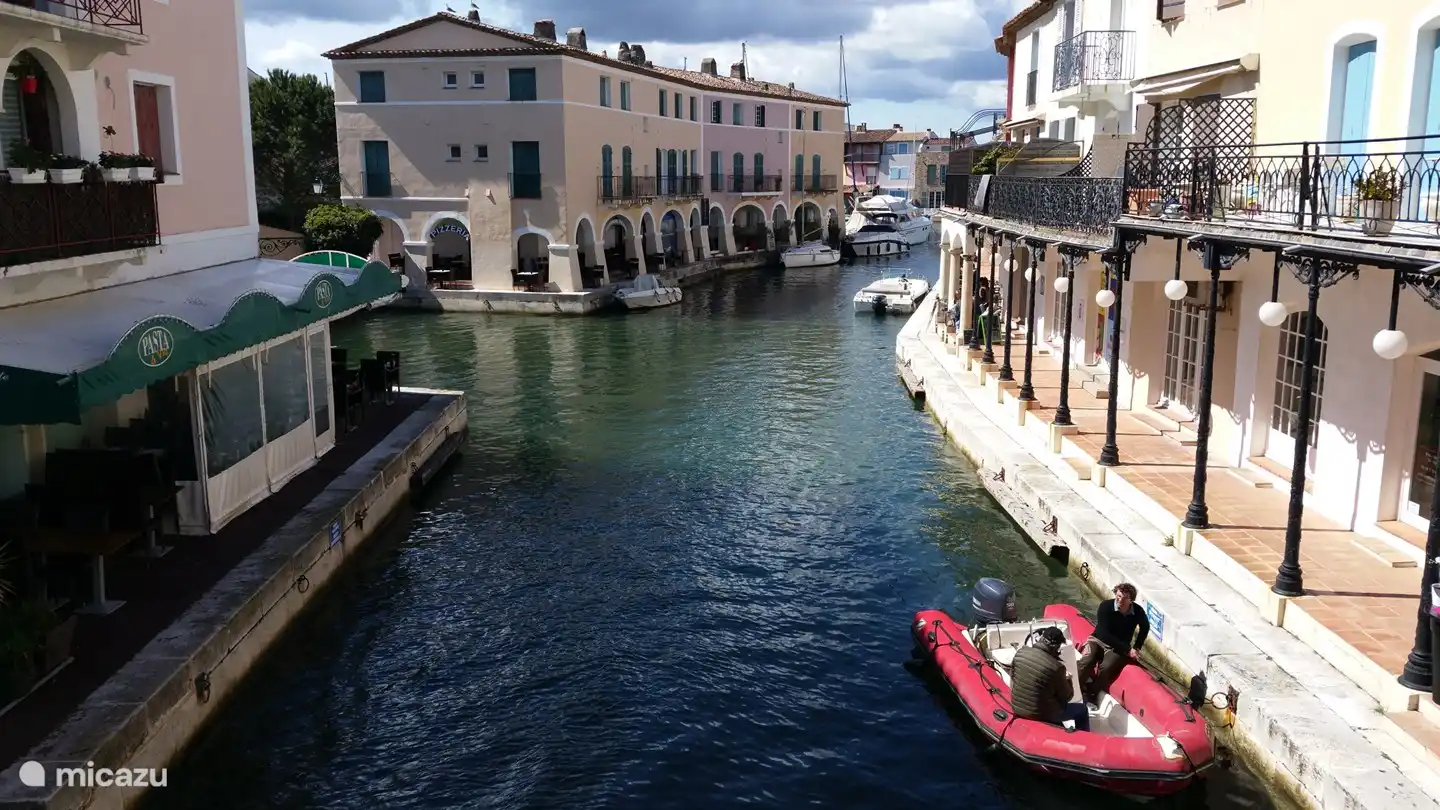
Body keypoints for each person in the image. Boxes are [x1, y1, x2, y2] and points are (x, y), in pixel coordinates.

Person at [1078, 582, 1150, 703]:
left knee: (1106, 667)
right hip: (1098, 640)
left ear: (1131, 600)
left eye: (1124, 598)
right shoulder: (1105, 606)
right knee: (1087, 660)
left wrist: (1137, 647)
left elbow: (1145, 627)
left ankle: (1093, 693)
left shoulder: (1138, 611)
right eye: (1118, 596)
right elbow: (1103, 633)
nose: (1120, 600)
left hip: (1118, 648)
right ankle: (1075, 687)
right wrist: (1128, 650)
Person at [1010, 626, 1088, 730]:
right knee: (1082, 710)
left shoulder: (1020, 653)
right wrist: (1068, 679)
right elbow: (1068, 696)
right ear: (1056, 647)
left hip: (1017, 707)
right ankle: (1081, 737)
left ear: (1041, 638)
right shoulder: (1056, 668)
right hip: (1041, 715)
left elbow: (1013, 677)